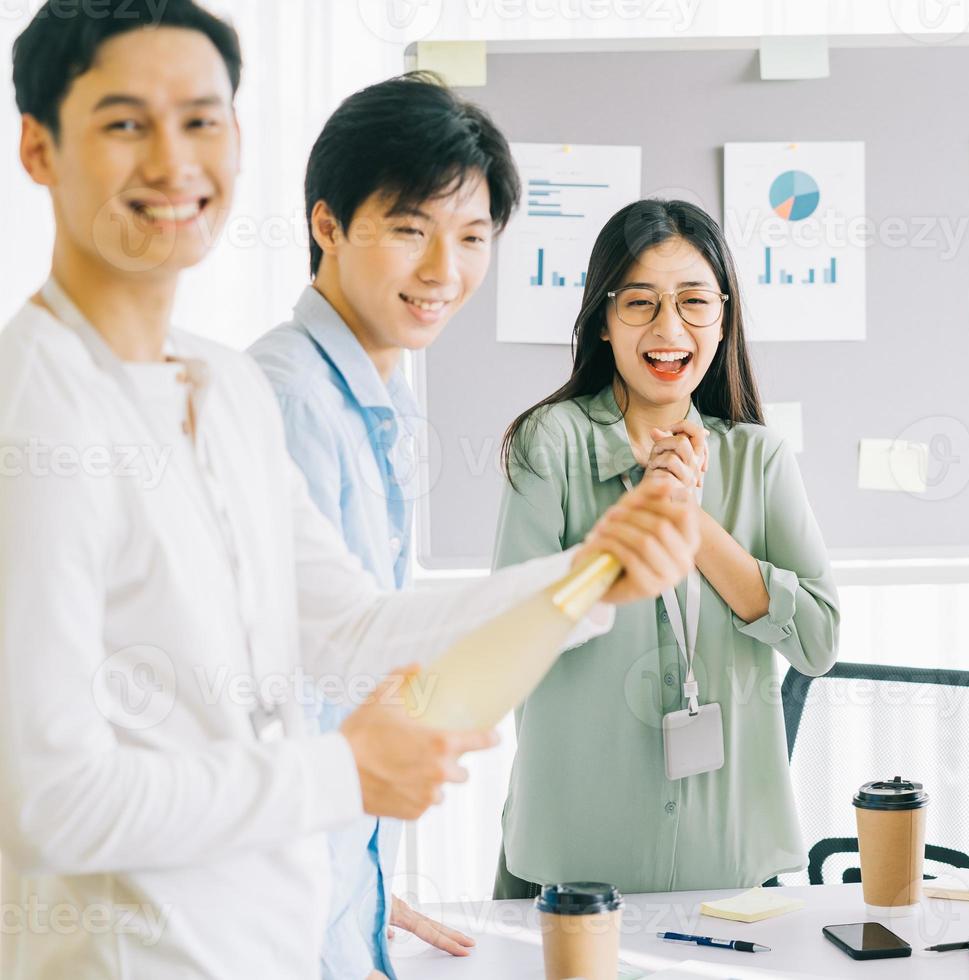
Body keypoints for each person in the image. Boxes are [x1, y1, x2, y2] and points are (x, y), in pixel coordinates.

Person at [0, 5, 699, 976]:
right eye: (127, 122)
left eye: (202, 120)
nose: (173, 160)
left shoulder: (224, 387)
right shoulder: (33, 415)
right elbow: (46, 800)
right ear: (39, 147)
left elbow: (352, 628)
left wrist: (585, 577)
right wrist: (338, 772)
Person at [250, 73, 518, 977]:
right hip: (274, 912)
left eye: (473, 238)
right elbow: (270, 695)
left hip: (331, 891)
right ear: (328, 225)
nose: (445, 271)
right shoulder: (286, 402)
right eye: (411, 230)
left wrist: (363, 892)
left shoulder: (379, 396)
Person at [493, 199, 840, 897]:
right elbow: (511, 638)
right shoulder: (550, 443)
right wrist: (636, 523)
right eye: (640, 303)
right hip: (576, 853)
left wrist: (694, 522)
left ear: (724, 315)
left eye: (693, 302)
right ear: (602, 318)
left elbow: (819, 643)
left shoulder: (758, 459)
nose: (668, 329)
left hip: (730, 856)